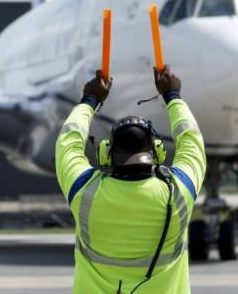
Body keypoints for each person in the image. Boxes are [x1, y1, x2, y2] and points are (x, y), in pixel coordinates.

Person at [55, 65, 206, 293]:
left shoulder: (85, 193)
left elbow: (68, 143)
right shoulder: (178, 193)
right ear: (157, 151)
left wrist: (89, 100)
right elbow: (191, 139)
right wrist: (172, 96)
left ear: (106, 154)